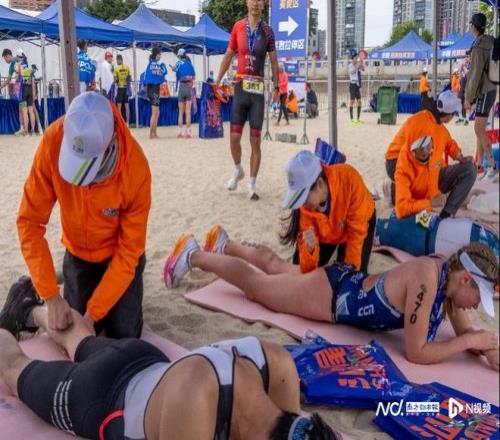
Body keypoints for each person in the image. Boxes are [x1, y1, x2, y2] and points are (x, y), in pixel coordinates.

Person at [0, 281, 339, 440]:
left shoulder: (277, 365)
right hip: (100, 398)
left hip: (146, 361)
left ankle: (30, 311)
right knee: (16, 370)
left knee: (83, 341)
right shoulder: (193, 415)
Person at [166, 229, 499, 371]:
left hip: (341, 282)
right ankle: (194, 255)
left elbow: (466, 334)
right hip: (331, 297)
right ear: (466, 279)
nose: (475, 305)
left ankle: (225, 245)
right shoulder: (427, 278)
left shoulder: (448, 279)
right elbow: (417, 352)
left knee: (278, 268)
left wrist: (488, 349)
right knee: (257, 287)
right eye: (478, 297)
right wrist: (472, 341)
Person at [16, 92, 151, 338]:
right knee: (68, 326)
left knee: (123, 332)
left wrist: (92, 316)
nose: (81, 183)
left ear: (111, 142)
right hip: (78, 253)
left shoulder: (136, 169)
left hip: (118, 256)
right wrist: (51, 296)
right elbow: (29, 221)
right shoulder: (53, 141)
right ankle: (28, 308)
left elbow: (129, 252)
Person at [215, 0, 280, 201]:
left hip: (257, 91)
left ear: (263, 5)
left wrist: (277, 86)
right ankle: (238, 170)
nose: (255, 4)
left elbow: (274, 61)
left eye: (259, 1)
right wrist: (217, 81)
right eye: (252, 0)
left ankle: (252, 184)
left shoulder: (268, 32)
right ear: (247, 3)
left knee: (255, 141)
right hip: (241, 88)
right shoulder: (238, 27)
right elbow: (229, 55)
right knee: (234, 138)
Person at [281, 150, 376, 274]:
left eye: (303, 197)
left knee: (350, 273)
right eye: (297, 199)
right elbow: (307, 270)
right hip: (328, 231)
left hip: (358, 226)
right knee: (299, 269)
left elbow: (356, 235)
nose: (301, 204)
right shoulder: (304, 207)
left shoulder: (349, 179)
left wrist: (348, 275)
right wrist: (310, 248)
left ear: (320, 184)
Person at [385, 91, 472, 207]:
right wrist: (434, 196)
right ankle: (393, 190)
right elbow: (431, 165)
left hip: (401, 160)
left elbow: (448, 142)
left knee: (432, 177)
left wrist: (459, 156)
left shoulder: (434, 121)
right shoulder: (426, 126)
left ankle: (399, 189)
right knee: (425, 185)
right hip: (395, 162)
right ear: (449, 116)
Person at [465, 12, 498, 182]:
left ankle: (492, 167)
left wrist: (467, 98)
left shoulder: (478, 45)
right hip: (490, 89)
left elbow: (474, 74)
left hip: (484, 90)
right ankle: (479, 165)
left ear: (474, 27)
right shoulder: (490, 41)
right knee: (481, 128)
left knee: (478, 129)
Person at [171, 48, 196, 139]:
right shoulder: (189, 63)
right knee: (188, 112)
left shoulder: (178, 63)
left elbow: (174, 69)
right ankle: (188, 132)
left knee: (180, 113)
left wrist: (173, 68)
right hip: (189, 87)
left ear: (179, 56)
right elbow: (194, 77)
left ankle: (180, 132)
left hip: (181, 87)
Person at [144, 46, 167, 139]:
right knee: (155, 113)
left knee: (157, 112)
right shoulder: (155, 64)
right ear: (157, 54)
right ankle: (151, 134)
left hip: (152, 89)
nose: (160, 56)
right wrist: (163, 67)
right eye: (160, 54)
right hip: (154, 90)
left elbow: (146, 77)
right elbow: (162, 75)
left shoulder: (150, 64)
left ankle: (154, 133)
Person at [1, 48, 24, 136]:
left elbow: (15, 77)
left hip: (22, 87)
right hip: (22, 88)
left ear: (8, 56)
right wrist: (1, 86)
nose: (5, 61)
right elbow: (8, 80)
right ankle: (25, 128)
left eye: (5, 58)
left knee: (23, 108)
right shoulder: (12, 65)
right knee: (24, 108)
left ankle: (25, 129)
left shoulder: (16, 62)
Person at [14, 49, 36, 137]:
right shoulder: (29, 66)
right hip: (30, 89)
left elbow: (16, 78)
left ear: (18, 57)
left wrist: (16, 76)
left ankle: (26, 132)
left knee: (24, 111)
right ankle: (33, 131)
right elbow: (33, 80)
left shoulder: (18, 66)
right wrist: (34, 92)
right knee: (31, 111)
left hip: (23, 90)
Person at [113, 54, 132, 125]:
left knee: (119, 107)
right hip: (126, 88)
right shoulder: (127, 67)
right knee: (127, 106)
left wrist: (117, 82)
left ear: (118, 60)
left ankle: (120, 123)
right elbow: (130, 77)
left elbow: (115, 80)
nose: (117, 61)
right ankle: (128, 123)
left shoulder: (116, 68)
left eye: (117, 60)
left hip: (120, 89)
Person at [348, 53, 364, 124]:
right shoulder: (350, 65)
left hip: (357, 85)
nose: (356, 59)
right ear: (352, 58)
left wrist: (361, 64)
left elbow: (363, 69)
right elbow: (352, 72)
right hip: (352, 84)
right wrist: (357, 67)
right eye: (355, 58)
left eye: (357, 58)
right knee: (352, 101)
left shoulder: (357, 64)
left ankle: (358, 118)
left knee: (359, 101)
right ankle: (352, 118)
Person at [456, 52, 471, 126]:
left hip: (468, 87)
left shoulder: (471, 66)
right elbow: (460, 76)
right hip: (462, 87)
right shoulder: (462, 66)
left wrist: (466, 70)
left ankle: (467, 119)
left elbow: (470, 76)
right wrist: (458, 84)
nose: (466, 58)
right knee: (458, 102)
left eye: (467, 56)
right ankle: (461, 117)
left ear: (470, 57)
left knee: (467, 103)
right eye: (465, 56)